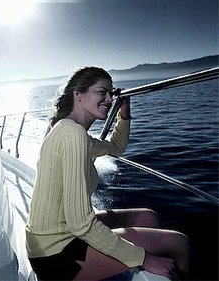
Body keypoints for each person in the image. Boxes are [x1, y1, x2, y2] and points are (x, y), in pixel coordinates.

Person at [25, 67, 190, 281]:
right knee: (179, 243)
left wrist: (124, 115)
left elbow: (115, 148)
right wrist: (144, 258)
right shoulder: (72, 135)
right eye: (102, 92)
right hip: (56, 255)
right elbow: (81, 224)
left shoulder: (74, 133)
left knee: (148, 217)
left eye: (111, 94)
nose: (109, 99)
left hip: (56, 238)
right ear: (78, 95)